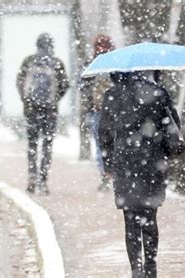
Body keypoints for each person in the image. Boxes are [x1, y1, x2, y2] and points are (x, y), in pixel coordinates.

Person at [98, 72, 184, 278]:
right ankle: (151, 267)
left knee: (130, 219)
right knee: (150, 216)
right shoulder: (157, 91)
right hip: (153, 161)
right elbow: (172, 124)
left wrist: (108, 163)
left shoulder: (112, 94)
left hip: (124, 161)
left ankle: (136, 269)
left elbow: (104, 132)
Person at [17, 33, 69, 195]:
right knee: (47, 145)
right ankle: (43, 180)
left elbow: (20, 82)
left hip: (31, 110)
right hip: (50, 111)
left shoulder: (29, 61)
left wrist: (27, 100)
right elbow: (65, 85)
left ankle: (32, 176)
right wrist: (53, 100)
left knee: (32, 144)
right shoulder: (56, 63)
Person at [80, 35, 115, 191]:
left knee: (101, 145)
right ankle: (115, 174)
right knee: (115, 143)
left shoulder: (90, 65)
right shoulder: (116, 64)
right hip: (115, 112)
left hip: (97, 111)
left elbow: (83, 86)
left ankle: (105, 174)